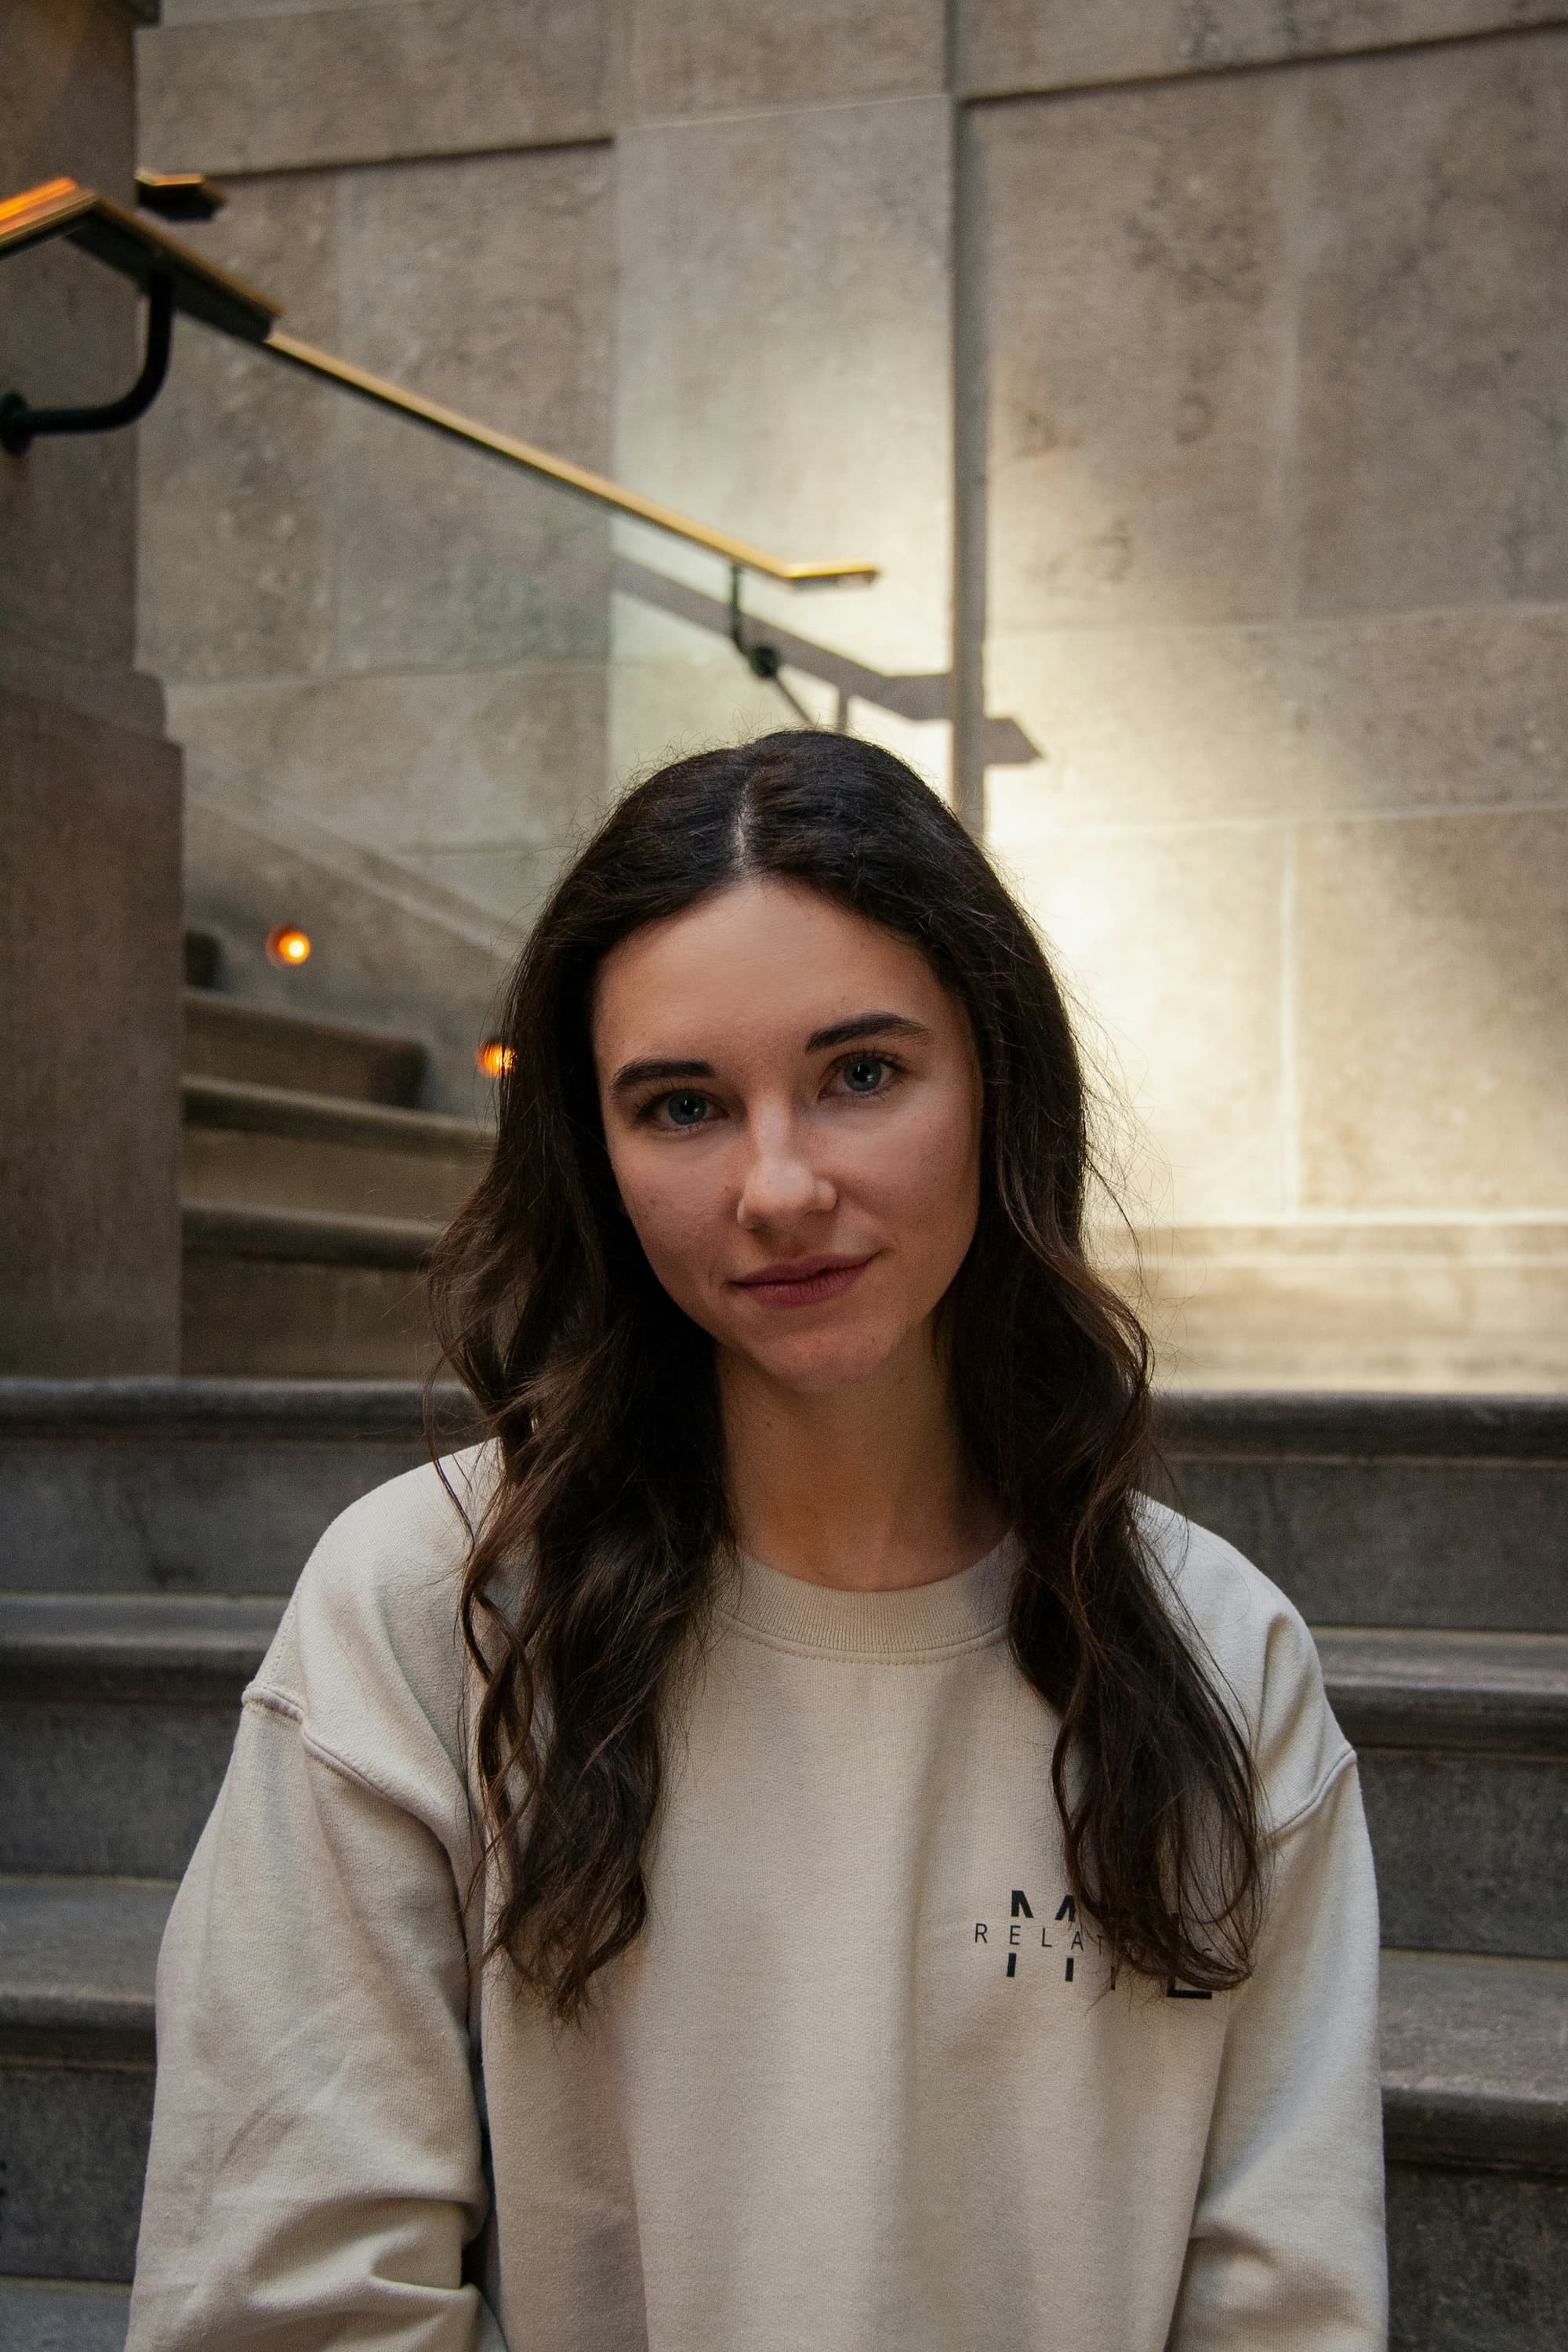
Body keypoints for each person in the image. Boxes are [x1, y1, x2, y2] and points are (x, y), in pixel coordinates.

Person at [127, 731, 1387, 2350]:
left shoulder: (1220, 1652)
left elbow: (1284, 2306)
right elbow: (288, 2297)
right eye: (683, 1106)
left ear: (996, 1086)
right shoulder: (427, 1608)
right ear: (597, 1155)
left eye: (861, 1075)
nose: (778, 1187)